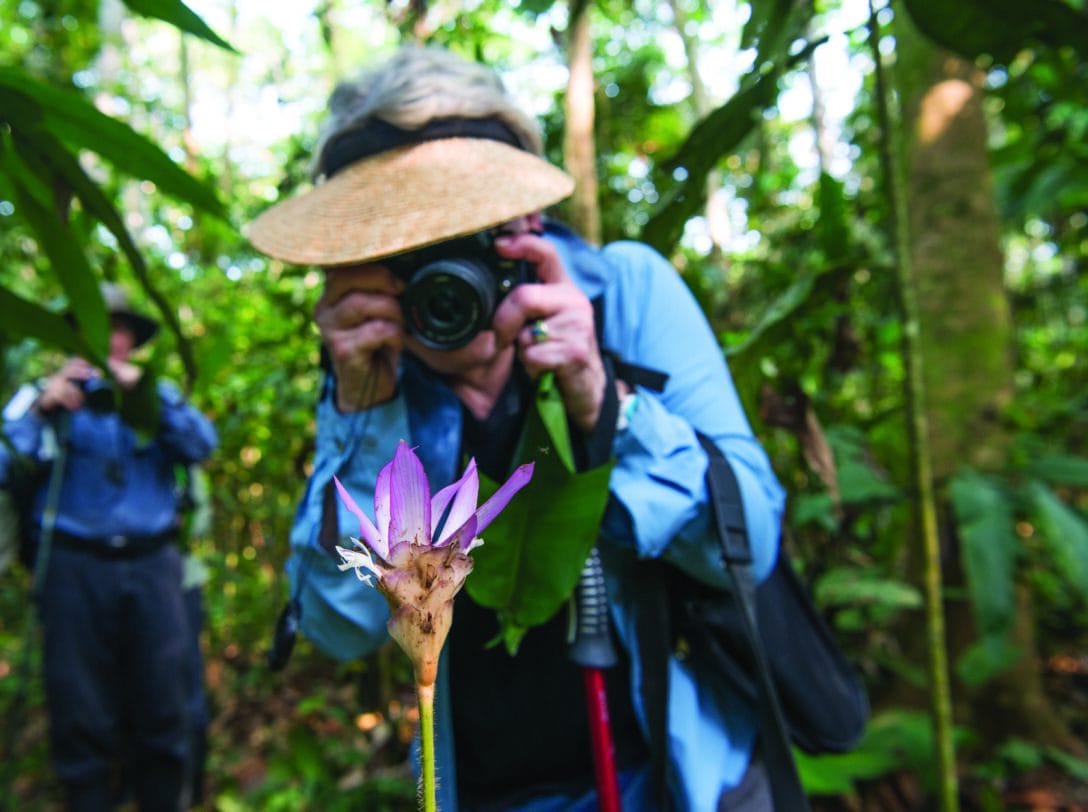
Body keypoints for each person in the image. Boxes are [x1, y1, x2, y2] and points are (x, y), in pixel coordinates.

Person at [249, 46, 785, 811]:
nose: (439, 274)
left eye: (468, 229)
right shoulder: (373, 359)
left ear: (526, 218)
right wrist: (362, 413)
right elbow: (341, 627)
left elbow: (751, 541)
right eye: (404, 247)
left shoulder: (621, 294)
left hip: (673, 775)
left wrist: (606, 401)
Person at [0, 282, 218, 811]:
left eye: (117, 330)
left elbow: (202, 445)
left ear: (131, 341)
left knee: (164, 707)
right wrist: (44, 407)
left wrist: (146, 397)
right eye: (90, 328)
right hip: (73, 570)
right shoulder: (40, 399)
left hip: (153, 566)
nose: (106, 340)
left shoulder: (155, 393)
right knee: (80, 712)